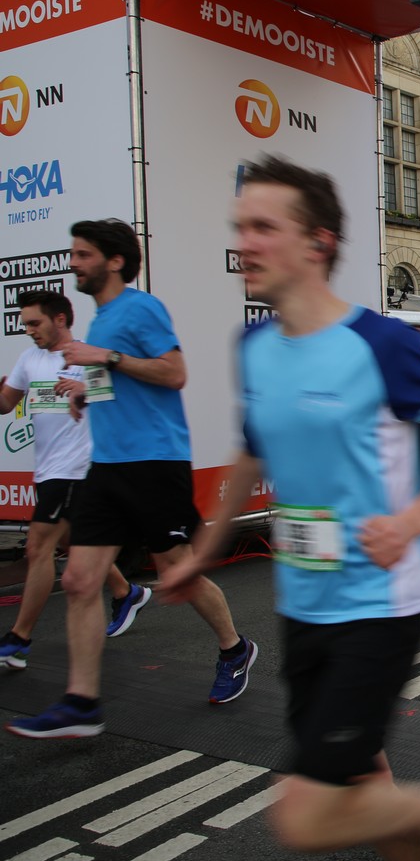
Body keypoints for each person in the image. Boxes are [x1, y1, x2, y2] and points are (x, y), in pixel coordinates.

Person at [169, 155, 420, 861]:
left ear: (318, 243)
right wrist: (202, 551)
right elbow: (250, 452)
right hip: (303, 603)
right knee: (366, 791)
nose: (245, 243)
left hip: (380, 601)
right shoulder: (255, 348)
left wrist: (416, 518)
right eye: (241, 227)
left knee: (304, 816)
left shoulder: (383, 345)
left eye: (263, 227)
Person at [7, 220, 255, 738]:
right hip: (105, 467)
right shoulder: (100, 320)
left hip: (154, 461)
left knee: (176, 570)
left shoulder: (140, 308)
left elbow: (173, 373)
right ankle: (81, 702)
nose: (73, 263)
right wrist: (86, 390)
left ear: (114, 261)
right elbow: (116, 379)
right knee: (79, 580)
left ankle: (234, 648)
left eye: (82, 254)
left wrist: (105, 358)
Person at [0, 291, 150, 672]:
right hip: (47, 470)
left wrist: (84, 391)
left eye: (34, 323)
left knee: (38, 546)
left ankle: (18, 640)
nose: (28, 330)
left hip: (77, 469)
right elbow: (5, 403)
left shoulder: (85, 355)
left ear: (61, 320)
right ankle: (125, 592)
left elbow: (113, 398)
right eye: (25, 323)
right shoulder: (28, 359)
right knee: (71, 541)